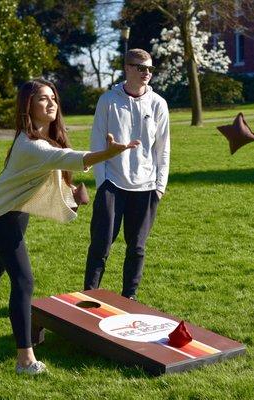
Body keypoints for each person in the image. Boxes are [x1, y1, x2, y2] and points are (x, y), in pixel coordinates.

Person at [0, 78, 140, 375]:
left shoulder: (45, 139)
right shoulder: (30, 145)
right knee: (24, 280)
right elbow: (70, 158)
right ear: (28, 106)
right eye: (43, 98)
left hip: (17, 207)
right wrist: (109, 153)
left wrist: (72, 196)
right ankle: (25, 360)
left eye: (53, 97)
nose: (51, 103)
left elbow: (53, 171)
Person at [84, 48, 170, 300]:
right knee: (101, 244)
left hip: (146, 188)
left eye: (150, 69)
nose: (147, 73)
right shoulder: (108, 100)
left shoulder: (158, 104)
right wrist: (102, 183)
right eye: (141, 67)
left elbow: (163, 149)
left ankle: (129, 298)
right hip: (112, 183)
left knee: (137, 247)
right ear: (128, 69)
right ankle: (89, 296)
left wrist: (159, 187)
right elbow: (97, 143)